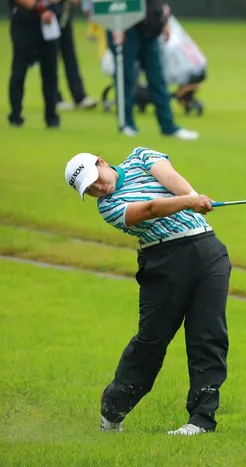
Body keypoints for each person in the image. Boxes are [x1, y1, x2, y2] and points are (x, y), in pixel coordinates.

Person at [63, 147, 232, 435]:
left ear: (102, 162)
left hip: (208, 251)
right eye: (89, 190)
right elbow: (150, 209)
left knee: (209, 335)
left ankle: (201, 420)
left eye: (96, 179)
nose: (98, 188)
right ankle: (113, 408)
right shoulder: (108, 207)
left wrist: (192, 197)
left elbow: (170, 178)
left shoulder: (141, 157)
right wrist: (189, 202)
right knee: (151, 342)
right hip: (164, 263)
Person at [104, 0, 199, 140]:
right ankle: (126, 124)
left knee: (157, 78)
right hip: (125, 23)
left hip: (149, 23)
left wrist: (165, 22)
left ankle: (168, 125)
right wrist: (116, 25)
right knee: (126, 77)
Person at [8, 0, 61, 128]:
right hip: (24, 23)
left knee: (50, 73)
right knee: (19, 72)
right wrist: (40, 10)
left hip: (48, 23)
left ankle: (51, 117)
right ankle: (15, 115)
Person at [55, 0, 97, 110]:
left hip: (64, 19)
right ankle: (55, 98)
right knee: (50, 60)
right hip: (49, 19)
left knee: (70, 58)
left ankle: (79, 97)